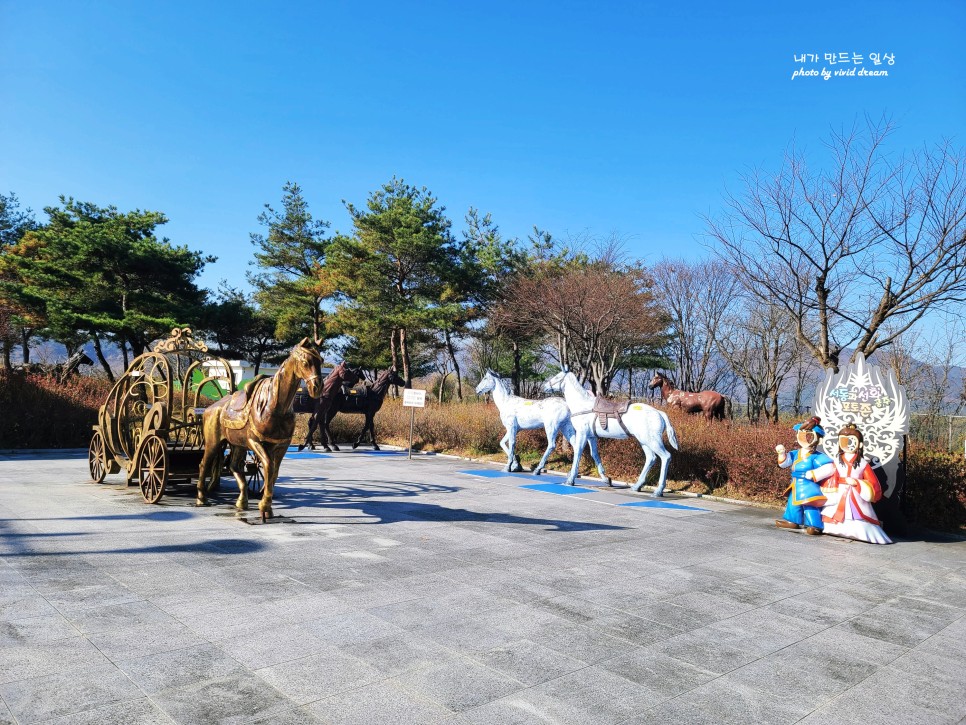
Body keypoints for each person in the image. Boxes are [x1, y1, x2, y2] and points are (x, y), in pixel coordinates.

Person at [819, 423, 892, 544]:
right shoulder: (836, 460)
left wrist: (857, 482)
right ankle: (831, 527)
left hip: (855, 493)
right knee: (833, 511)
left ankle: (861, 531)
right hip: (839, 490)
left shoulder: (863, 463)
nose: (847, 443)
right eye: (843, 440)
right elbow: (829, 471)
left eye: (851, 440)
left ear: (860, 444)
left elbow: (872, 482)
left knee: (856, 512)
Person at [775, 416, 834, 535]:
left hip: (809, 485)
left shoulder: (817, 456)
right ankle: (793, 521)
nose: (805, 438)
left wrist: (813, 474)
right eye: (802, 434)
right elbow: (784, 463)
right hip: (795, 483)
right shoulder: (796, 453)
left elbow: (830, 468)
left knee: (809, 504)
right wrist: (781, 454)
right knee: (793, 503)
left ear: (818, 439)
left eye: (810, 435)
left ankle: (815, 525)